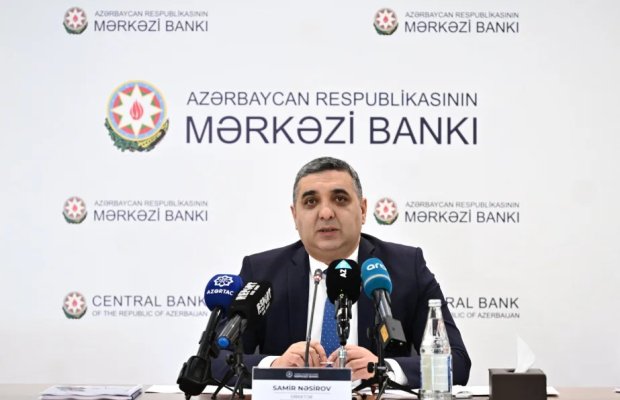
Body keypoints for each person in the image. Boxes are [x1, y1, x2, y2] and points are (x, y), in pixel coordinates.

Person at [212, 156, 471, 388]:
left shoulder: (405, 267)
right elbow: (213, 361)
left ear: (363, 210)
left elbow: (456, 363)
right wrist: (275, 367)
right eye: (311, 202)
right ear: (295, 216)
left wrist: (383, 369)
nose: (326, 213)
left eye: (340, 199)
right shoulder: (262, 272)